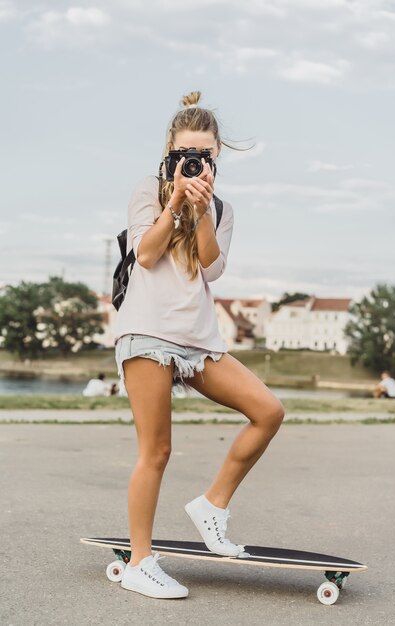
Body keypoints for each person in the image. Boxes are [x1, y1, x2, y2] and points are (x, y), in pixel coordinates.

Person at [112, 91, 285, 599]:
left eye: (205, 155)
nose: (196, 162)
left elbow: (210, 267)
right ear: (170, 149)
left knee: (268, 411)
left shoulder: (223, 208)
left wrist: (203, 209)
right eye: (188, 153)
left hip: (198, 339)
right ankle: (140, 562)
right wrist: (173, 205)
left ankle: (212, 505)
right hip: (146, 331)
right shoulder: (147, 189)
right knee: (157, 450)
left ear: (216, 156)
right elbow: (145, 255)